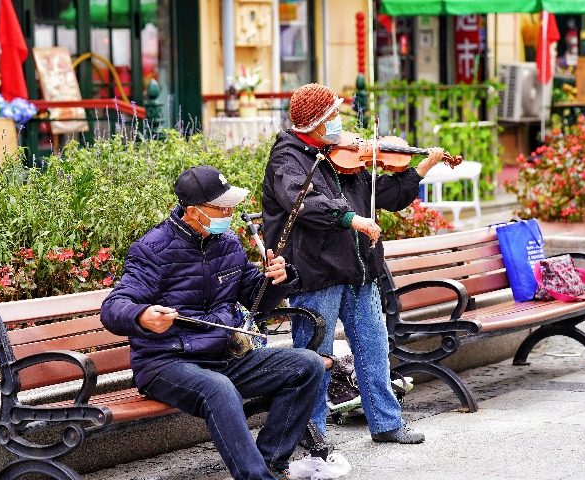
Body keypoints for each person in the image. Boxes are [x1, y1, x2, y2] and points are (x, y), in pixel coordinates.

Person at [101, 165, 324, 480]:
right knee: (219, 389)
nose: (230, 212)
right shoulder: (151, 250)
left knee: (307, 365)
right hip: (165, 363)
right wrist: (141, 315)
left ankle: (270, 462)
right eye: (221, 208)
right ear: (192, 211)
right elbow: (113, 306)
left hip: (220, 357)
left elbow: (253, 295)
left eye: (231, 205)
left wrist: (279, 279)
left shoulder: (228, 243)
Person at [262, 83, 445, 445]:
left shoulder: (342, 155)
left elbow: (387, 196)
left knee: (374, 348)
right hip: (315, 272)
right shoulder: (287, 159)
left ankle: (387, 422)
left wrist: (422, 167)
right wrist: (351, 219)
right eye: (334, 116)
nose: (340, 122)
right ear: (316, 123)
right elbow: (304, 203)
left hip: (360, 268)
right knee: (316, 358)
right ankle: (312, 434)